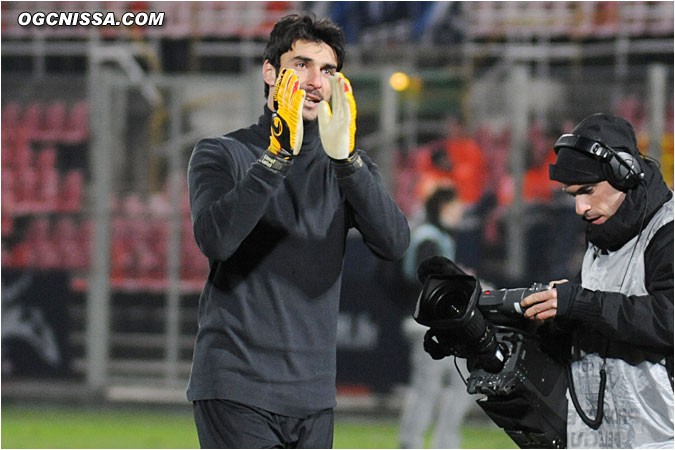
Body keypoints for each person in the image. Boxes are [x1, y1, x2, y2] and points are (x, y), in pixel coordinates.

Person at [186, 13, 410, 449]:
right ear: (269, 73)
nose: (314, 80)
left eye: (326, 70)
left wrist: (347, 162)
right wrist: (276, 157)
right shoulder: (221, 153)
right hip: (236, 385)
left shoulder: (345, 165)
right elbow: (215, 239)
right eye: (301, 64)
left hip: (313, 396)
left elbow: (394, 243)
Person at [520, 113, 673, 448]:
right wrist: (553, 319)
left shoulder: (668, 231)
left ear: (625, 172)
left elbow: (669, 318)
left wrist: (580, 303)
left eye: (587, 191)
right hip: (596, 438)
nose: (580, 207)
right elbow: (594, 328)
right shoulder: (600, 237)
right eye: (573, 194)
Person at [399, 187, 474, 449]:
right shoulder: (429, 237)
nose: (460, 212)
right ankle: (415, 443)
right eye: (456, 206)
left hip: (433, 323)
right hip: (429, 325)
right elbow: (426, 277)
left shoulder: (432, 235)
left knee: (454, 385)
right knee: (430, 389)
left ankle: (435, 442)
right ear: (443, 206)